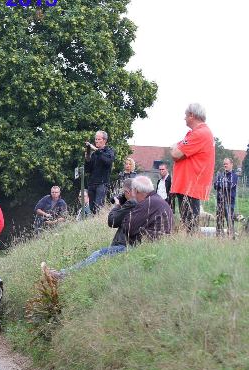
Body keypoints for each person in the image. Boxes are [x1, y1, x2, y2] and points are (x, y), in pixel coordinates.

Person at [43, 177, 172, 278]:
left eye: (133, 192)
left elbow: (128, 228)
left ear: (137, 191)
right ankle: (63, 274)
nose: (133, 196)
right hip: (154, 247)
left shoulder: (147, 203)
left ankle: (63, 275)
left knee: (99, 254)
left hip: (141, 248)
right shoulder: (158, 201)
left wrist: (120, 209)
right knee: (100, 254)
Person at [170, 103, 215, 233]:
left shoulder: (199, 134)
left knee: (189, 226)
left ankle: (191, 243)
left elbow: (175, 154)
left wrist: (175, 146)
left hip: (189, 185)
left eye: (185, 115)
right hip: (189, 185)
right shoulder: (200, 133)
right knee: (188, 224)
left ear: (192, 115)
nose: (184, 118)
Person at [84, 130, 115, 214]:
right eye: (95, 139)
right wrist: (87, 159)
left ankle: (99, 220)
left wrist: (96, 150)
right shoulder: (94, 154)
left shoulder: (109, 151)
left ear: (104, 140)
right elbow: (88, 170)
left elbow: (108, 161)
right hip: (92, 183)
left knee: (98, 207)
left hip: (102, 184)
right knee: (92, 208)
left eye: (98, 139)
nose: (96, 141)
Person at [214, 158, 238, 236]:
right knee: (219, 221)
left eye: (226, 164)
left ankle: (231, 237)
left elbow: (230, 185)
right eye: (224, 164)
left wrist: (221, 183)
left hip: (229, 202)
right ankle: (219, 237)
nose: (225, 165)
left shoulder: (234, 175)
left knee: (229, 220)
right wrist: (223, 183)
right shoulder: (220, 175)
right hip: (220, 201)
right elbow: (215, 186)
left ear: (231, 164)